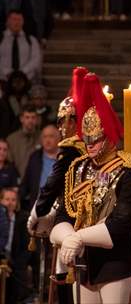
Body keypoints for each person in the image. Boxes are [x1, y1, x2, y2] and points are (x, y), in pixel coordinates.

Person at [50, 72, 131, 303]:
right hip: (83, 262)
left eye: (96, 140)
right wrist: (68, 236)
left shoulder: (129, 169)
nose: (90, 145)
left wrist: (78, 237)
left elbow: (121, 222)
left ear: (110, 137)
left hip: (115, 262)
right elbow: (64, 212)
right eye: (87, 140)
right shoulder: (77, 168)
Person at [28, 67, 88, 238]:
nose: (60, 128)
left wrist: (36, 212)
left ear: (72, 123)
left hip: (72, 216)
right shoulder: (83, 146)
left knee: (62, 257)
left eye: (62, 122)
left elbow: (52, 184)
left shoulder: (70, 150)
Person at [20, 124, 60, 212]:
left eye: (51, 136)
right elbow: (25, 184)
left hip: (58, 207)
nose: (47, 140)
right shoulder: (35, 157)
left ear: (58, 138)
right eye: (45, 137)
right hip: (37, 207)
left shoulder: (64, 157)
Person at [1, 187, 30, 303]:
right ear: (1, 201)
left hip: (15, 261)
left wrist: (17, 264)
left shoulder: (23, 219)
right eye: (7, 199)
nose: (10, 203)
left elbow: (27, 247)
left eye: (13, 200)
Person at [0, 10, 42, 82]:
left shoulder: (31, 40)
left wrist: (22, 72)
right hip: (3, 80)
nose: (17, 22)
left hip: (26, 81)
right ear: (7, 21)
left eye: (20, 20)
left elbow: (35, 59)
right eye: (14, 19)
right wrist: (7, 72)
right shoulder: (1, 39)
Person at [7, 104, 40, 178]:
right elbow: (8, 164)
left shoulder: (43, 137)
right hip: (17, 181)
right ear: (21, 119)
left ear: (37, 119)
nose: (30, 120)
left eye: (33, 117)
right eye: (27, 117)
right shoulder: (11, 139)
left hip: (37, 182)